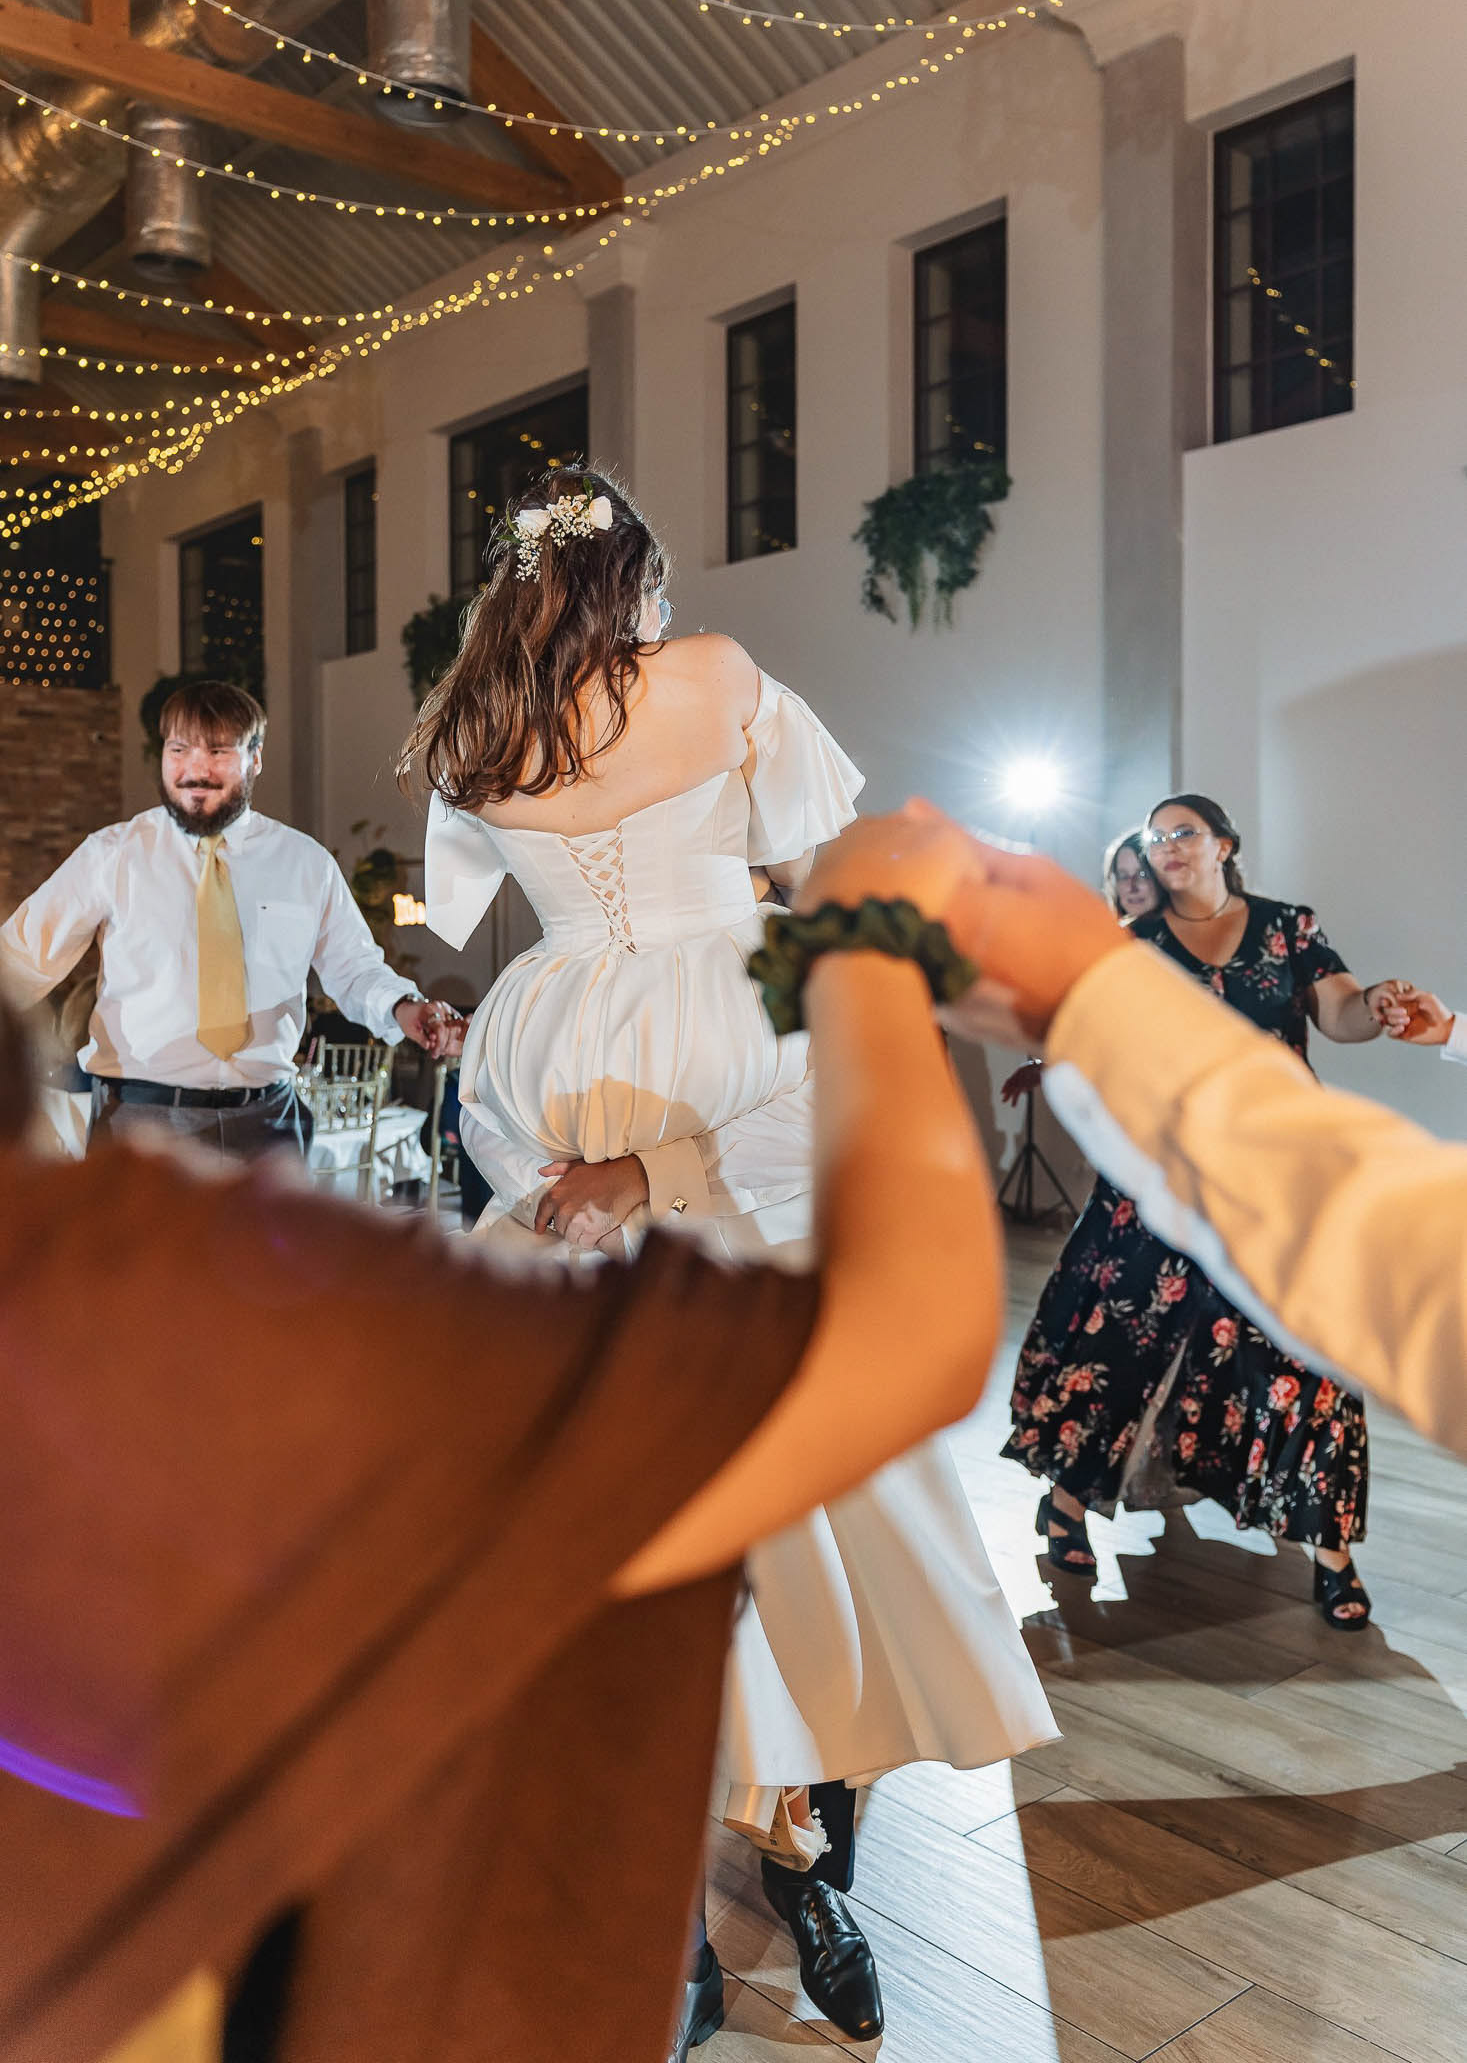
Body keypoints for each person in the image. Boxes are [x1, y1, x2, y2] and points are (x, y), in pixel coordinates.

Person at [0, 806, 1002, 2063]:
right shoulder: (258, 1307)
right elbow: (905, 1332)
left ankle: (807, 1881)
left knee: (822, 1610)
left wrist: (660, 1160)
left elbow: (361, 973)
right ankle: (680, 1937)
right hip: (607, 1293)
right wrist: (873, 975)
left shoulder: (746, 967)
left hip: (722, 1246)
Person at [401, 466, 1055, 2052]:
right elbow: (815, 870)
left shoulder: (470, 727)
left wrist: (596, 1176)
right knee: (793, 1538)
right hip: (712, 1047)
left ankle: (780, 1881)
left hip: (559, 1050)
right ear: (633, 574)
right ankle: (708, 1908)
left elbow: (495, 1095)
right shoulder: (707, 675)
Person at [1002, 792, 1413, 1631]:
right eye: (1155, 837)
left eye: (1182, 832)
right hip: (1160, 1178)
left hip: (1274, 1177)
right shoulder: (1130, 947)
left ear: (1223, 844)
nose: (1166, 846)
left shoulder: (1287, 928)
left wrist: (1372, 1003)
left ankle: (1330, 1550)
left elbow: (1337, 1013)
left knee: (1303, 1354)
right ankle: (1066, 1504)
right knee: (1116, 1341)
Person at [0, 680, 452, 1160]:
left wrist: (405, 1007)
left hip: (268, 1124)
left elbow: (354, 969)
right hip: (138, 1123)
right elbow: (20, 958)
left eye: (218, 751)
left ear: (255, 758)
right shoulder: (111, 855)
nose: (196, 770)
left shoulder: (306, 864)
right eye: (179, 750)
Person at [999, 828, 1161, 1110]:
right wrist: (1046, 1065)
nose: (1132, 885)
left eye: (1143, 874)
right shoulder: (1111, 943)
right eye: (1123, 876)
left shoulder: (1177, 944)